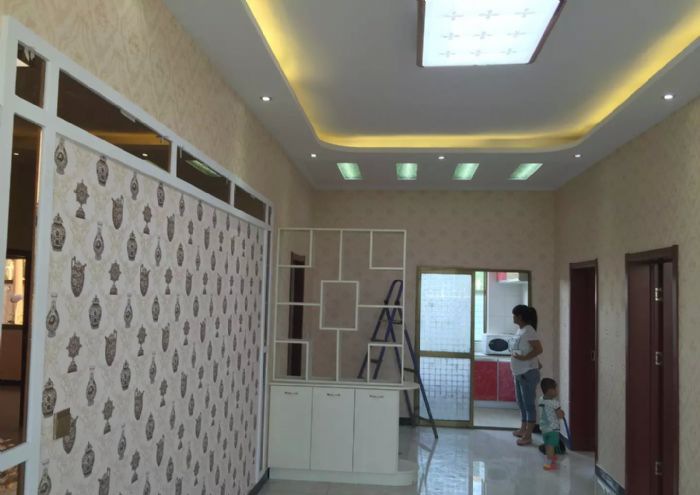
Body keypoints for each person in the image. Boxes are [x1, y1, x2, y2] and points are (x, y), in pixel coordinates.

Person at [510, 304, 543, 446]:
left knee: (529, 404)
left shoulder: (529, 330)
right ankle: (523, 429)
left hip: (527, 373)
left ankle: (528, 436)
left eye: (514, 315)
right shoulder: (521, 330)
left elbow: (538, 349)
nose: (513, 317)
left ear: (520, 316)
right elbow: (527, 349)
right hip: (519, 373)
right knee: (521, 402)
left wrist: (525, 359)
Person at [538, 378, 565, 470]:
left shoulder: (540, 399)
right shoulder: (554, 403)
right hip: (553, 429)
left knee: (548, 445)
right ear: (550, 391)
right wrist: (562, 413)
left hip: (543, 428)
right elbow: (560, 415)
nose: (557, 391)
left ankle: (551, 458)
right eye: (556, 389)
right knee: (551, 446)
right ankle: (550, 463)